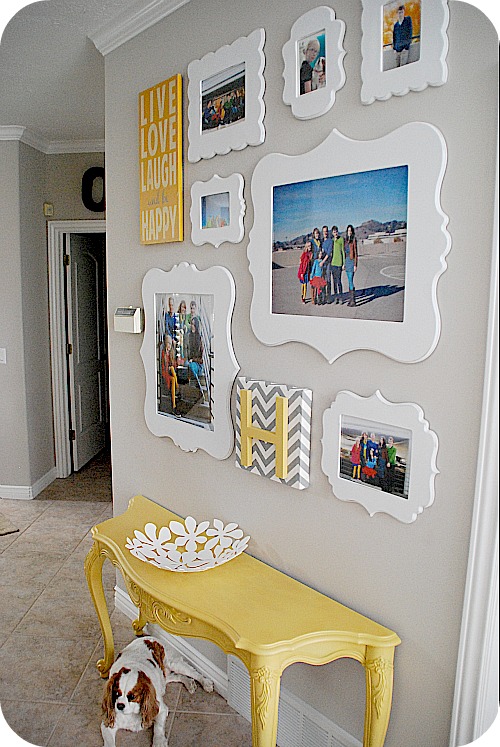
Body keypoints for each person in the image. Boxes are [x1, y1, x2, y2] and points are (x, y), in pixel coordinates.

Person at [160, 334, 179, 414]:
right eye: (168, 344)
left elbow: (174, 364)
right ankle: (177, 387)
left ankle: (174, 404)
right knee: (173, 378)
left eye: (170, 344)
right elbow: (163, 367)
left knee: (173, 377)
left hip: (170, 373)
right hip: (165, 374)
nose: (169, 346)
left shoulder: (171, 353)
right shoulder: (163, 353)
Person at [344, 224, 358, 307]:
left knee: (350, 280)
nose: (349, 232)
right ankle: (351, 300)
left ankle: (353, 300)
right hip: (347, 261)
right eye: (348, 230)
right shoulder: (346, 240)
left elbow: (356, 253)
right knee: (349, 281)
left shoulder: (354, 240)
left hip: (352, 260)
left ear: (352, 232)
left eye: (350, 230)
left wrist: (355, 264)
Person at [331, 226, 345, 304]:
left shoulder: (341, 239)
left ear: (337, 232)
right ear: (332, 233)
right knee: (334, 281)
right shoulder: (332, 240)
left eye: (336, 232)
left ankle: (341, 297)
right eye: (334, 232)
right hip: (333, 263)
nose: (335, 233)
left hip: (339, 263)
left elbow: (342, 251)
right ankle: (336, 297)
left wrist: (343, 264)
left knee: (339, 281)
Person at [320, 225, 333, 303]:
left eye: (326, 231)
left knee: (328, 280)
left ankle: (329, 296)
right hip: (322, 264)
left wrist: (323, 261)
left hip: (327, 263)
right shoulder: (321, 241)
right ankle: (323, 296)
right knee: (322, 280)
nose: (325, 233)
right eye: (324, 231)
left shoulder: (330, 241)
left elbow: (328, 253)